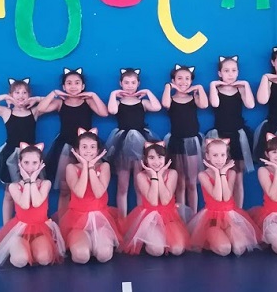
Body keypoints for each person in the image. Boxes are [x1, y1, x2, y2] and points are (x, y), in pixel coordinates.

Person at [0, 143, 65, 267]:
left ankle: (32, 248)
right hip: (19, 230)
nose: (30, 167)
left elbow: (36, 202)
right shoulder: (14, 186)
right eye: (26, 163)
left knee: (44, 259)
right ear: (20, 164)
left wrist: (32, 181)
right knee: (20, 261)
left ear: (40, 164)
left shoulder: (46, 183)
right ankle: (19, 247)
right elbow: (25, 205)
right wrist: (27, 181)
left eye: (34, 163)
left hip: (40, 228)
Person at [36, 68, 108, 214]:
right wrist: (54, 93)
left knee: (90, 182)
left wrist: (93, 95)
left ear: (83, 86)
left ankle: (85, 215)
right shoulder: (60, 103)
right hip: (66, 145)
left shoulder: (88, 101)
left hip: (87, 147)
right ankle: (63, 222)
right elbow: (41, 109)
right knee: (64, 188)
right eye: (69, 83)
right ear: (64, 86)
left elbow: (104, 113)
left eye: (77, 83)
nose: (73, 86)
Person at [0, 78, 42, 224]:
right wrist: (4, 97)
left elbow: (54, 102)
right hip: (11, 156)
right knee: (9, 193)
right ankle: (7, 227)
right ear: (11, 94)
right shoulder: (6, 112)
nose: (21, 96)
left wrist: (37, 99)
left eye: (24, 93)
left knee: (32, 190)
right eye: (16, 92)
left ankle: (31, 223)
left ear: (29, 95)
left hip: (31, 156)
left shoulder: (34, 111)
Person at [187, 139, 261, 256]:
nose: (219, 159)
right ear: (208, 156)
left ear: (227, 156)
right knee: (224, 249)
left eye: (222, 155)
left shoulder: (231, 173)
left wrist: (222, 173)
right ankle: (213, 238)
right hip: (212, 218)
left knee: (239, 248)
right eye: (215, 155)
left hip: (229, 215)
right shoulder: (203, 175)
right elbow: (217, 197)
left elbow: (226, 197)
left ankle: (227, 235)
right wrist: (217, 173)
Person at [59, 128, 122, 264]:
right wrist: (84, 166)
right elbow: (80, 192)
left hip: (100, 218)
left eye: (92, 147)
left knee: (104, 255)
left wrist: (91, 167)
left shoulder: (104, 166)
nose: (88, 151)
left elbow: (98, 193)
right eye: (84, 147)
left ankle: (95, 244)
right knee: (81, 256)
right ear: (77, 150)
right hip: (77, 219)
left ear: (98, 150)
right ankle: (85, 243)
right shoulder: (71, 168)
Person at [106, 68, 161, 216]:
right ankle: (122, 219)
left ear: (138, 83)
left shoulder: (142, 102)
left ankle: (140, 218)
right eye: (126, 82)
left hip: (140, 142)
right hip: (122, 145)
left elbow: (157, 107)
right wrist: (113, 94)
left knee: (139, 184)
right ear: (121, 83)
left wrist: (147, 92)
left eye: (133, 82)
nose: (130, 86)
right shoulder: (118, 102)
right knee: (122, 185)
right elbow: (111, 111)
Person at [122, 141, 189, 256]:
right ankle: (149, 239)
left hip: (169, 216)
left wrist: (160, 176)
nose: (156, 162)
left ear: (165, 158)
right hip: (150, 217)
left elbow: (165, 200)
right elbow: (153, 201)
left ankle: (163, 238)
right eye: (151, 158)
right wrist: (154, 176)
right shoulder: (141, 176)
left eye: (160, 157)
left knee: (177, 250)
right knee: (157, 251)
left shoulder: (172, 173)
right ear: (146, 160)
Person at [207, 55, 255, 208]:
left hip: (238, 137)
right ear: (220, 73)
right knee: (222, 176)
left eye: (234, 70)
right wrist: (213, 85)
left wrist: (245, 85)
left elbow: (250, 105)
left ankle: (238, 211)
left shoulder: (240, 89)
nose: (230, 74)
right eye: (226, 71)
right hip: (219, 136)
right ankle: (224, 209)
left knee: (238, 178)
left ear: (238, 72)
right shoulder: (216, 89)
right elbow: (215, 103)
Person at [161, 64, 208, 213]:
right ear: (173, 80)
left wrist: (199, 88)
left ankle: (193, 215)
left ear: (191, 81)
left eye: (187, 78)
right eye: (179, 78)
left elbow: (204, 105)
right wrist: (168, 87)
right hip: (176, 142)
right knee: (180, 183)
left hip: (192, 143)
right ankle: (182, 215)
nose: (183, 82)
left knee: (192, 182)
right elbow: (165, 103)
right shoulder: (171, 99)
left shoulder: (194, 98)